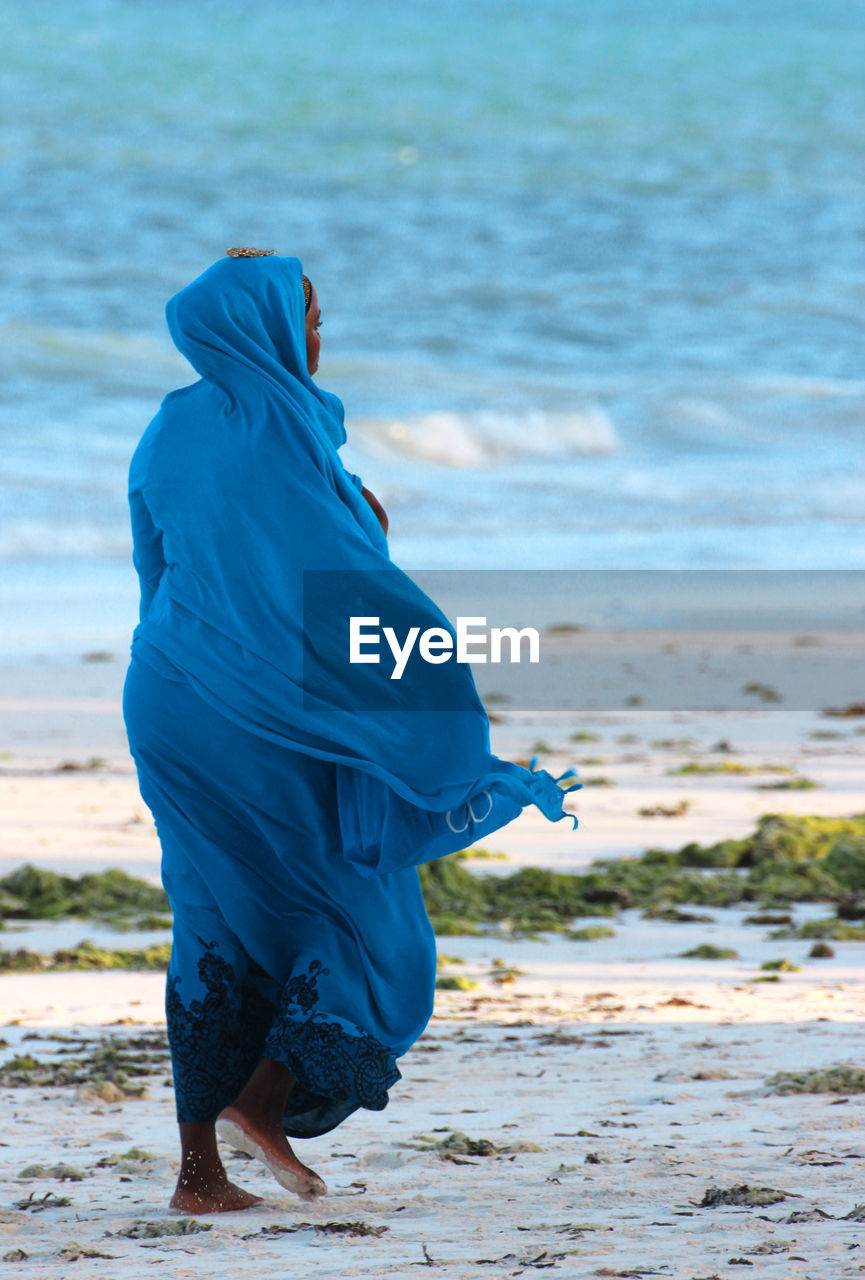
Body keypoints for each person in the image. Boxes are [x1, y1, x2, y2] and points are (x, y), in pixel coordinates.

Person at [122, 249, 576, 1213]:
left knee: (208, 915)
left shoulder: (167, 426)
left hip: (167, 693)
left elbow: (157, 567)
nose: (319, 336)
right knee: (364, 919)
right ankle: (263, 1094)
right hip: (261, 715)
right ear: (264, 327)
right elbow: (337, 583)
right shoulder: (289, 425)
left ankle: (198, 1174)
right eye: (310, 317)